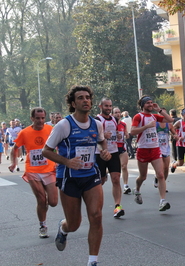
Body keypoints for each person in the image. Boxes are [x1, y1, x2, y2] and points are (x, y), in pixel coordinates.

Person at [42, 85, 111, 266]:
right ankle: (63, 228)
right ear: (73, 103)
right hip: (69, 177)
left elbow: (102, 140)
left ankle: (92, 261)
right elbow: (46, 151)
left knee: (96, 216)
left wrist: (104, 152)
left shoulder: (97, 124)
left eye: (88, 97)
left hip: (90, 175)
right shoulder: (64, 125)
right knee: (74, 224)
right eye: (80, 98)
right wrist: (67, 161)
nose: (85, 100)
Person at [9, 107, 58, 238]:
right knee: (41, 200)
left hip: (49, 169)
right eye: (37, 118)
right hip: (32, 170)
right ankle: (43, 225)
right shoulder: (25, 132)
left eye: (43, 118)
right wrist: (14, 163)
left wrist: (59, 160)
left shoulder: (50, 130)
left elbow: (57, 146)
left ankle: (44, 208)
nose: (41, 121)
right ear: (32, 118)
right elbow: (14, 148)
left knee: (53, 202)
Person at [131, 96, 173, 211]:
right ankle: (137, 190)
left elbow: (170, 120)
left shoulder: (154, 116)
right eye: (148, 103)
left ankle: (162, 201)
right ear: (143, 105)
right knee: (143, 176)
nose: (150, 104)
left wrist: (159, 110)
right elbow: (132, 131)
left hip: (155, 149)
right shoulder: (138, 116)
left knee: (160, 174)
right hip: (143, 149)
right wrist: (146, 127)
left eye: (151, 102)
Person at [95, 98, 124, 218]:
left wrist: (117, 135)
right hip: (100, 154)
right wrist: (102, 136)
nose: (108, 108)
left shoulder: (115, 119)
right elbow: (91, 136)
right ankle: (96, 205)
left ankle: (117, 206)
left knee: (116, 179)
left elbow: (117, 132)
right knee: (100, 181)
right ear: (100, 106)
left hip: (113, 152)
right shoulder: (96, 120)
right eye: (106, 106)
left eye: (110, 106)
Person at [154, 109, 177, 190]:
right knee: (161, 168)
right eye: (161, 113)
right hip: (157, 149)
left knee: (166, 168)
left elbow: (174, 133)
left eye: (164, 113)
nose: (163, 114)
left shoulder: (169, 125)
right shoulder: (155, 124)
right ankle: (159, 180)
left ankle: (162, 183)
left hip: (166, 149)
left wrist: (176, 136)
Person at [113, 107, 131, 195]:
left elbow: (126, 134)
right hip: (112, 148)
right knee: (114, 170)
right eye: (115, 112)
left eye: (118, 112)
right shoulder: (110, 124)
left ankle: (125, 185)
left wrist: (127, 135)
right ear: (112, 114)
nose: (117, 114)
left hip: (122, 148)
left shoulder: (123, 124)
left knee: (124, 166)